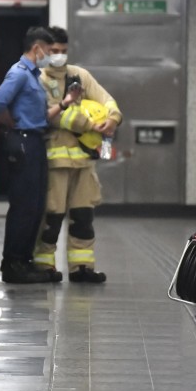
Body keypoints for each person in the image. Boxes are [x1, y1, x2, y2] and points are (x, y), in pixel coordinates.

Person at [34, 26, 122, 283]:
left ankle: (82, 267)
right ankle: (43, 265)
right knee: (52, 216)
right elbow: (51, 115)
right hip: (55, 161)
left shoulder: (80, 75)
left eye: (63, 51)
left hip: (84, 162)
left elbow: (107, 101)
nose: (59, 55)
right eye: (53, 51)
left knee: (83, 215)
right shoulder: (38, 79)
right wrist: (88, 123)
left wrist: (113, 119)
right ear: (44, 51)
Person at [0, 26, 60, 284]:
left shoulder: (35, 75)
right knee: (24, 205)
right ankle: (13, 263)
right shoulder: (18, 73)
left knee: (35, 205)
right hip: (23, 141)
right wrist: (13, 124)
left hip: (35, 142)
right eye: (49, 51)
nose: (51, 56)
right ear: (36, 48)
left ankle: (24, 259)